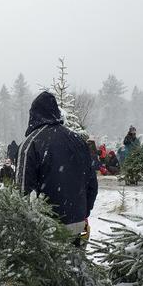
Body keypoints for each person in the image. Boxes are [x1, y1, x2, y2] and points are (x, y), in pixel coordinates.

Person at [16, 91, 98, 247]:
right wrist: (83, 213)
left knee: (49, 271)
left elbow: (21, 194)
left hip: (47, 232)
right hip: (80, 226)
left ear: (33, 115)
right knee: (79, 268)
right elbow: (92, 184)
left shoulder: (30, 144)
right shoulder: (79, 141)